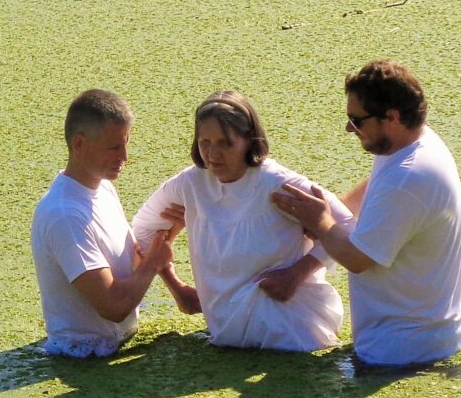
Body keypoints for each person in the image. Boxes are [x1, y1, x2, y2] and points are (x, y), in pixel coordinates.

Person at [271, 59, 461, 366]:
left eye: (357, 120)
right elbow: (376, 192)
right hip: (426, 337)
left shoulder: (409, 177)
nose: (349, 128)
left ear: (391, 117)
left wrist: (321, 221)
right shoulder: (411, 145)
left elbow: (358, 258)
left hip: (405, 350)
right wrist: (333, 211)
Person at [131, 90, 355, 352]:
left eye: (225, 143)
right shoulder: (190, 184)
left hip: (291, 332)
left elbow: (349, 227)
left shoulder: (278, 184)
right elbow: (142, 231)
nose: (213, 154)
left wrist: (297, 273)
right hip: (226, 335)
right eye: (205, 142)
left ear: (248, 140)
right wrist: (178, 288)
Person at [30, 89, 174, 358]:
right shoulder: (65, 215)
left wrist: (164, 236)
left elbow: (128, 266)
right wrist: (154, 263)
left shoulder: (104, 188)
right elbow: (113, 306)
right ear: (79, 145)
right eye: (114, 147)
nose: (125, 157)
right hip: (81, 357)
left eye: (126, 143)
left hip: (118, 346)